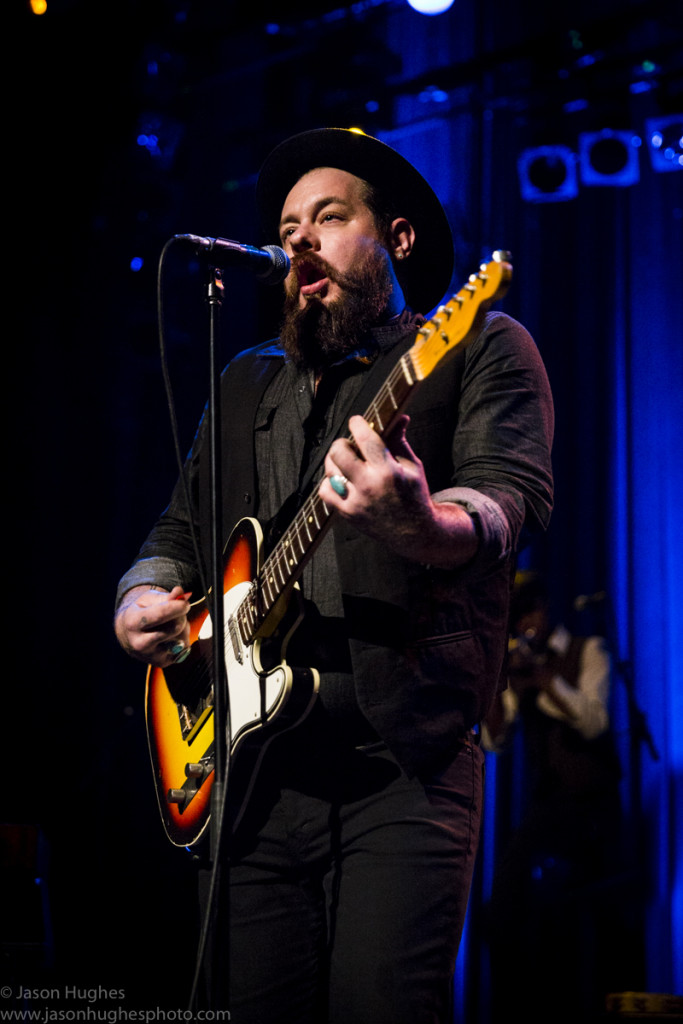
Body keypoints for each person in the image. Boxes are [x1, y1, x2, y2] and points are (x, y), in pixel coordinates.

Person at [114, 128, 554, 1024]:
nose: (299, 240)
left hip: (402, 760)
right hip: (250, 777)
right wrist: (139, 594)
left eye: (328, 216)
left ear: (394, 239)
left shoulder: (474, 344)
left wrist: (421, 523)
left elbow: (510, 501)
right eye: (287, 227)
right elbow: (178, 531)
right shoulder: (242, 383)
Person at [483, 572, 624, 1024]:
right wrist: (495, 682)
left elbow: (594, 722)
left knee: (578, 919)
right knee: (509, 911)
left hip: (592, 808)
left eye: (529, 610)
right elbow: (494, 742)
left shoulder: (590, 651)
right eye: (516, 615)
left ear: (544, 608)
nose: (524, 622)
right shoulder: (518, 664)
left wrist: (546, 680)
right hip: (548, 809)